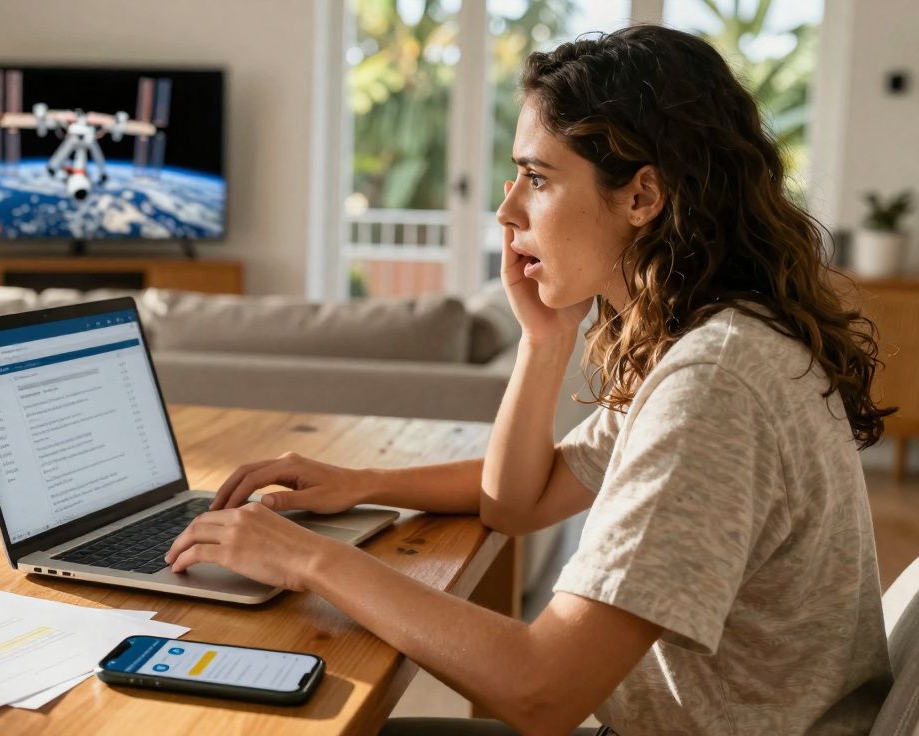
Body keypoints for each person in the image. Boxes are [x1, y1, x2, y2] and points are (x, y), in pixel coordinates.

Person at [163, 24, 894, 735]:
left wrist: (306, 557)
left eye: (537, 179)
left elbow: (541, 692)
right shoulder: (720, 340)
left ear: (643, 197)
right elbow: (519, 502)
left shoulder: (715, 383)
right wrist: (541, 345)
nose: (507, 211)